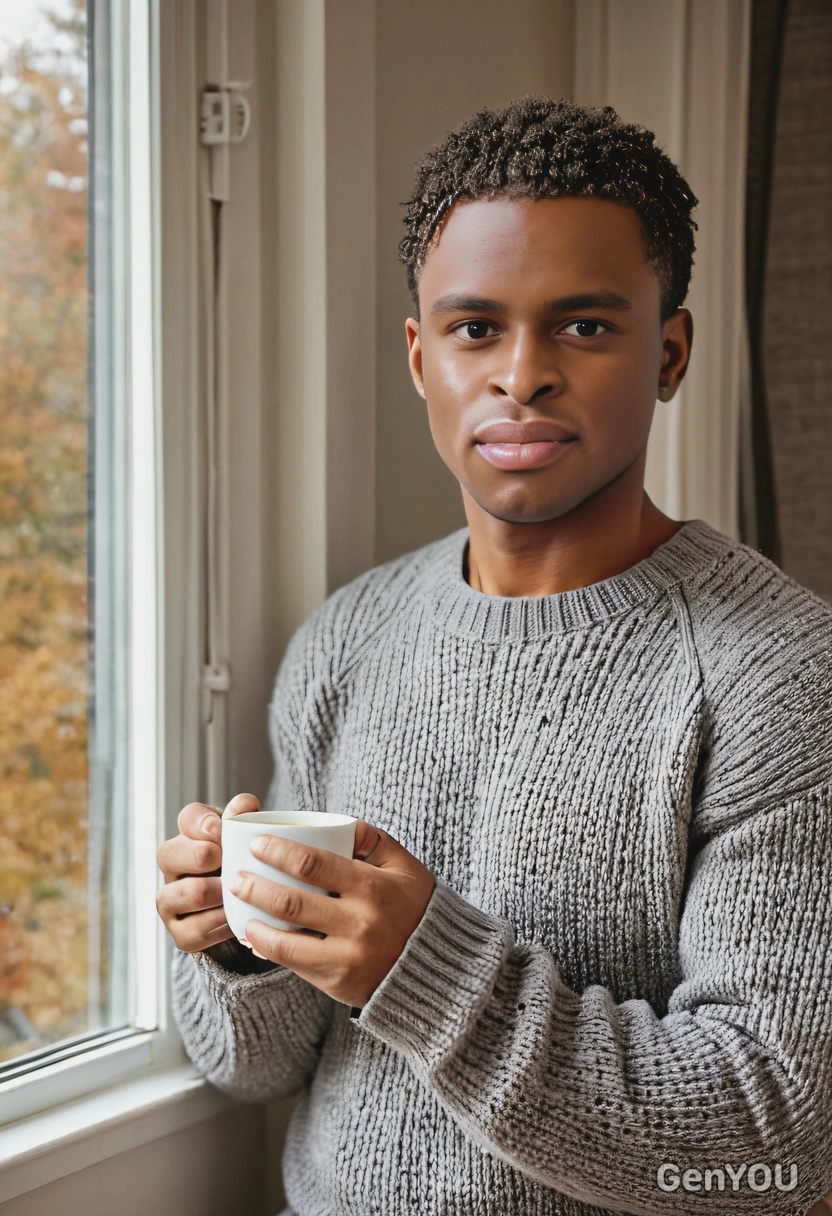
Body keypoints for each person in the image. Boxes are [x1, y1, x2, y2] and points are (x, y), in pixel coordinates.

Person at [156, 96, 832, 1215]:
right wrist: (240, 951)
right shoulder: (346, 638)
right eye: (476, 329)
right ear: (421, 359)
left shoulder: (783, 678)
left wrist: (418, 964)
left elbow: (777, 1145)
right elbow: (258, 1067)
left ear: (669, 352)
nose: (522, 374)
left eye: (583, 325)